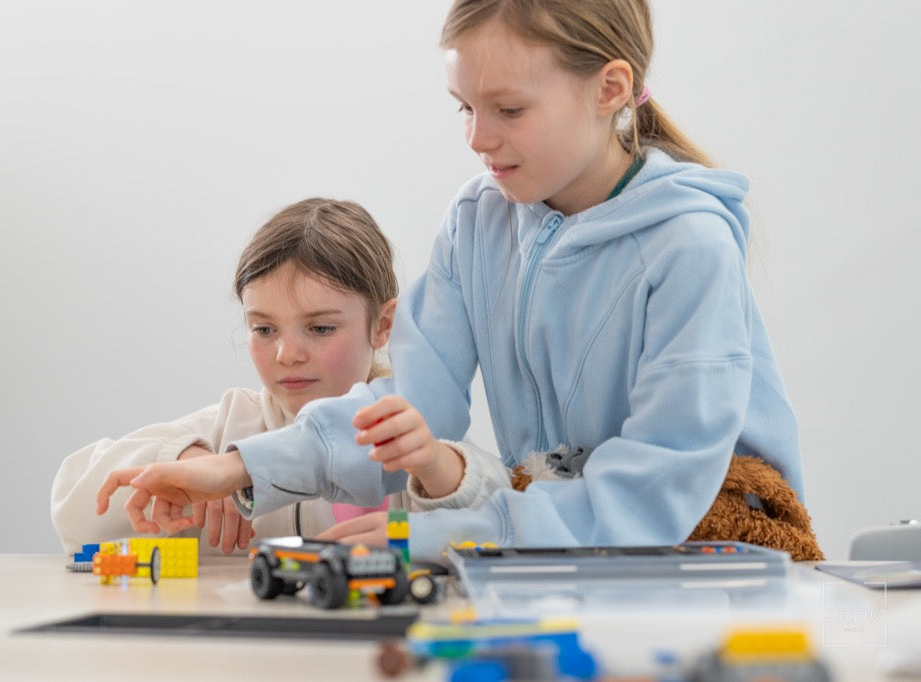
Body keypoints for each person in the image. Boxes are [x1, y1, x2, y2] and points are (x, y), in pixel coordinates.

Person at [97, 0, 808, 563]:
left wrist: (450, 537)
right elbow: (410, 405)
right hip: (576, 554)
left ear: (610, 88)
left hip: (715, 558)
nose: (476, 137)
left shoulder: (689, 244)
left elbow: (654, 490)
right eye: (464, 107)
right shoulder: (479, 222)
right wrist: (240, 468)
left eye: (508, 109)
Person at [52, 197, 511, 554]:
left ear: (383, 325)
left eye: (320, 328)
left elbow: (501, 514)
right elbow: (72, 507)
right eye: (264, 329)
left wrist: (436, 471)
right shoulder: (227, 428)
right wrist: (187, 457)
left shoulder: (410, 428)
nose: (287, 354)